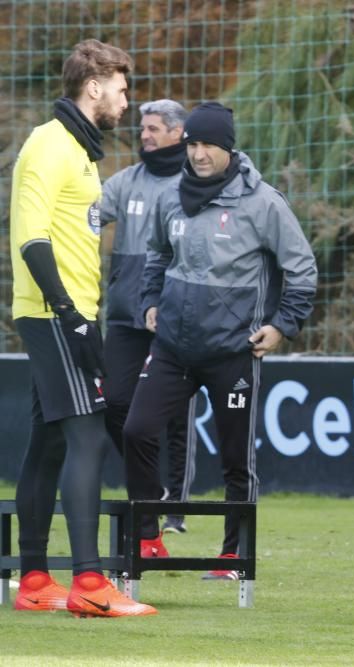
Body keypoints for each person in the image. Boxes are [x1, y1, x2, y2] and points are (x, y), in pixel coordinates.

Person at [123, 102, 317, 579]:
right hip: (172, 347)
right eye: (192, 144)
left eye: (208, 144)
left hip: (233, 351)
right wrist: (151, 299)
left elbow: (302, 268)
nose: (199, 153)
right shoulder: (170, 196)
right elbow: (156, 255)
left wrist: (281, 324)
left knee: (235, 458)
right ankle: (148, 538)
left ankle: (233, 555)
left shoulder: (264, 203)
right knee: (136, 431)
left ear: (228, 148)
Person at [10, 39, 155, 617]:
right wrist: (70, 316)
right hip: (54, 315)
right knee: (88, 436)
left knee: (47, 445)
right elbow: (31, 238)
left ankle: (35, 579)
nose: (127, 100)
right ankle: (90, 585)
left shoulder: (80, 149)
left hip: (71, 313)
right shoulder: (48, 144)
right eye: (121, 88)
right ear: (92, 86)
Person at [100, 98, 196, 543]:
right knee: (117, 403)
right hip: (123, 315)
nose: (145, 136)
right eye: (143, 129)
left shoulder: (194, 186)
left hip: (174, 317)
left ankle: (172, 508)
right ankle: (149, 489)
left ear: (179, 133)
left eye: (155, 128)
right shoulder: (124, 183)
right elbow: (86, 218)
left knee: (174, 415)